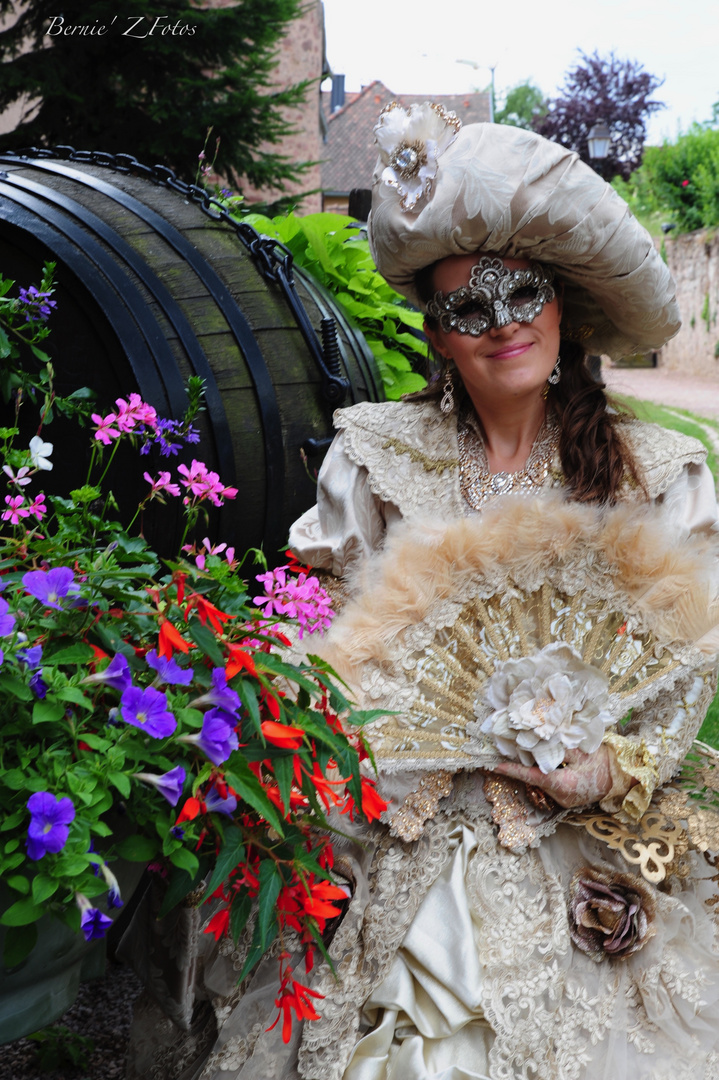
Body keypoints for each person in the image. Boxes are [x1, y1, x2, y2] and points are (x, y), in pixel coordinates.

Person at [127, 106, 719, 1080]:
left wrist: (606, 768)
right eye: (464, 310)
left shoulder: (650, 474)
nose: (501, 326)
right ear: (436, 338)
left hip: (573, 827)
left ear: (561, 301)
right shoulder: (375, 457)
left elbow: (687, 649)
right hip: (394, 811)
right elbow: (313, 612)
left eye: (519, 293)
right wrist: (307, 704)